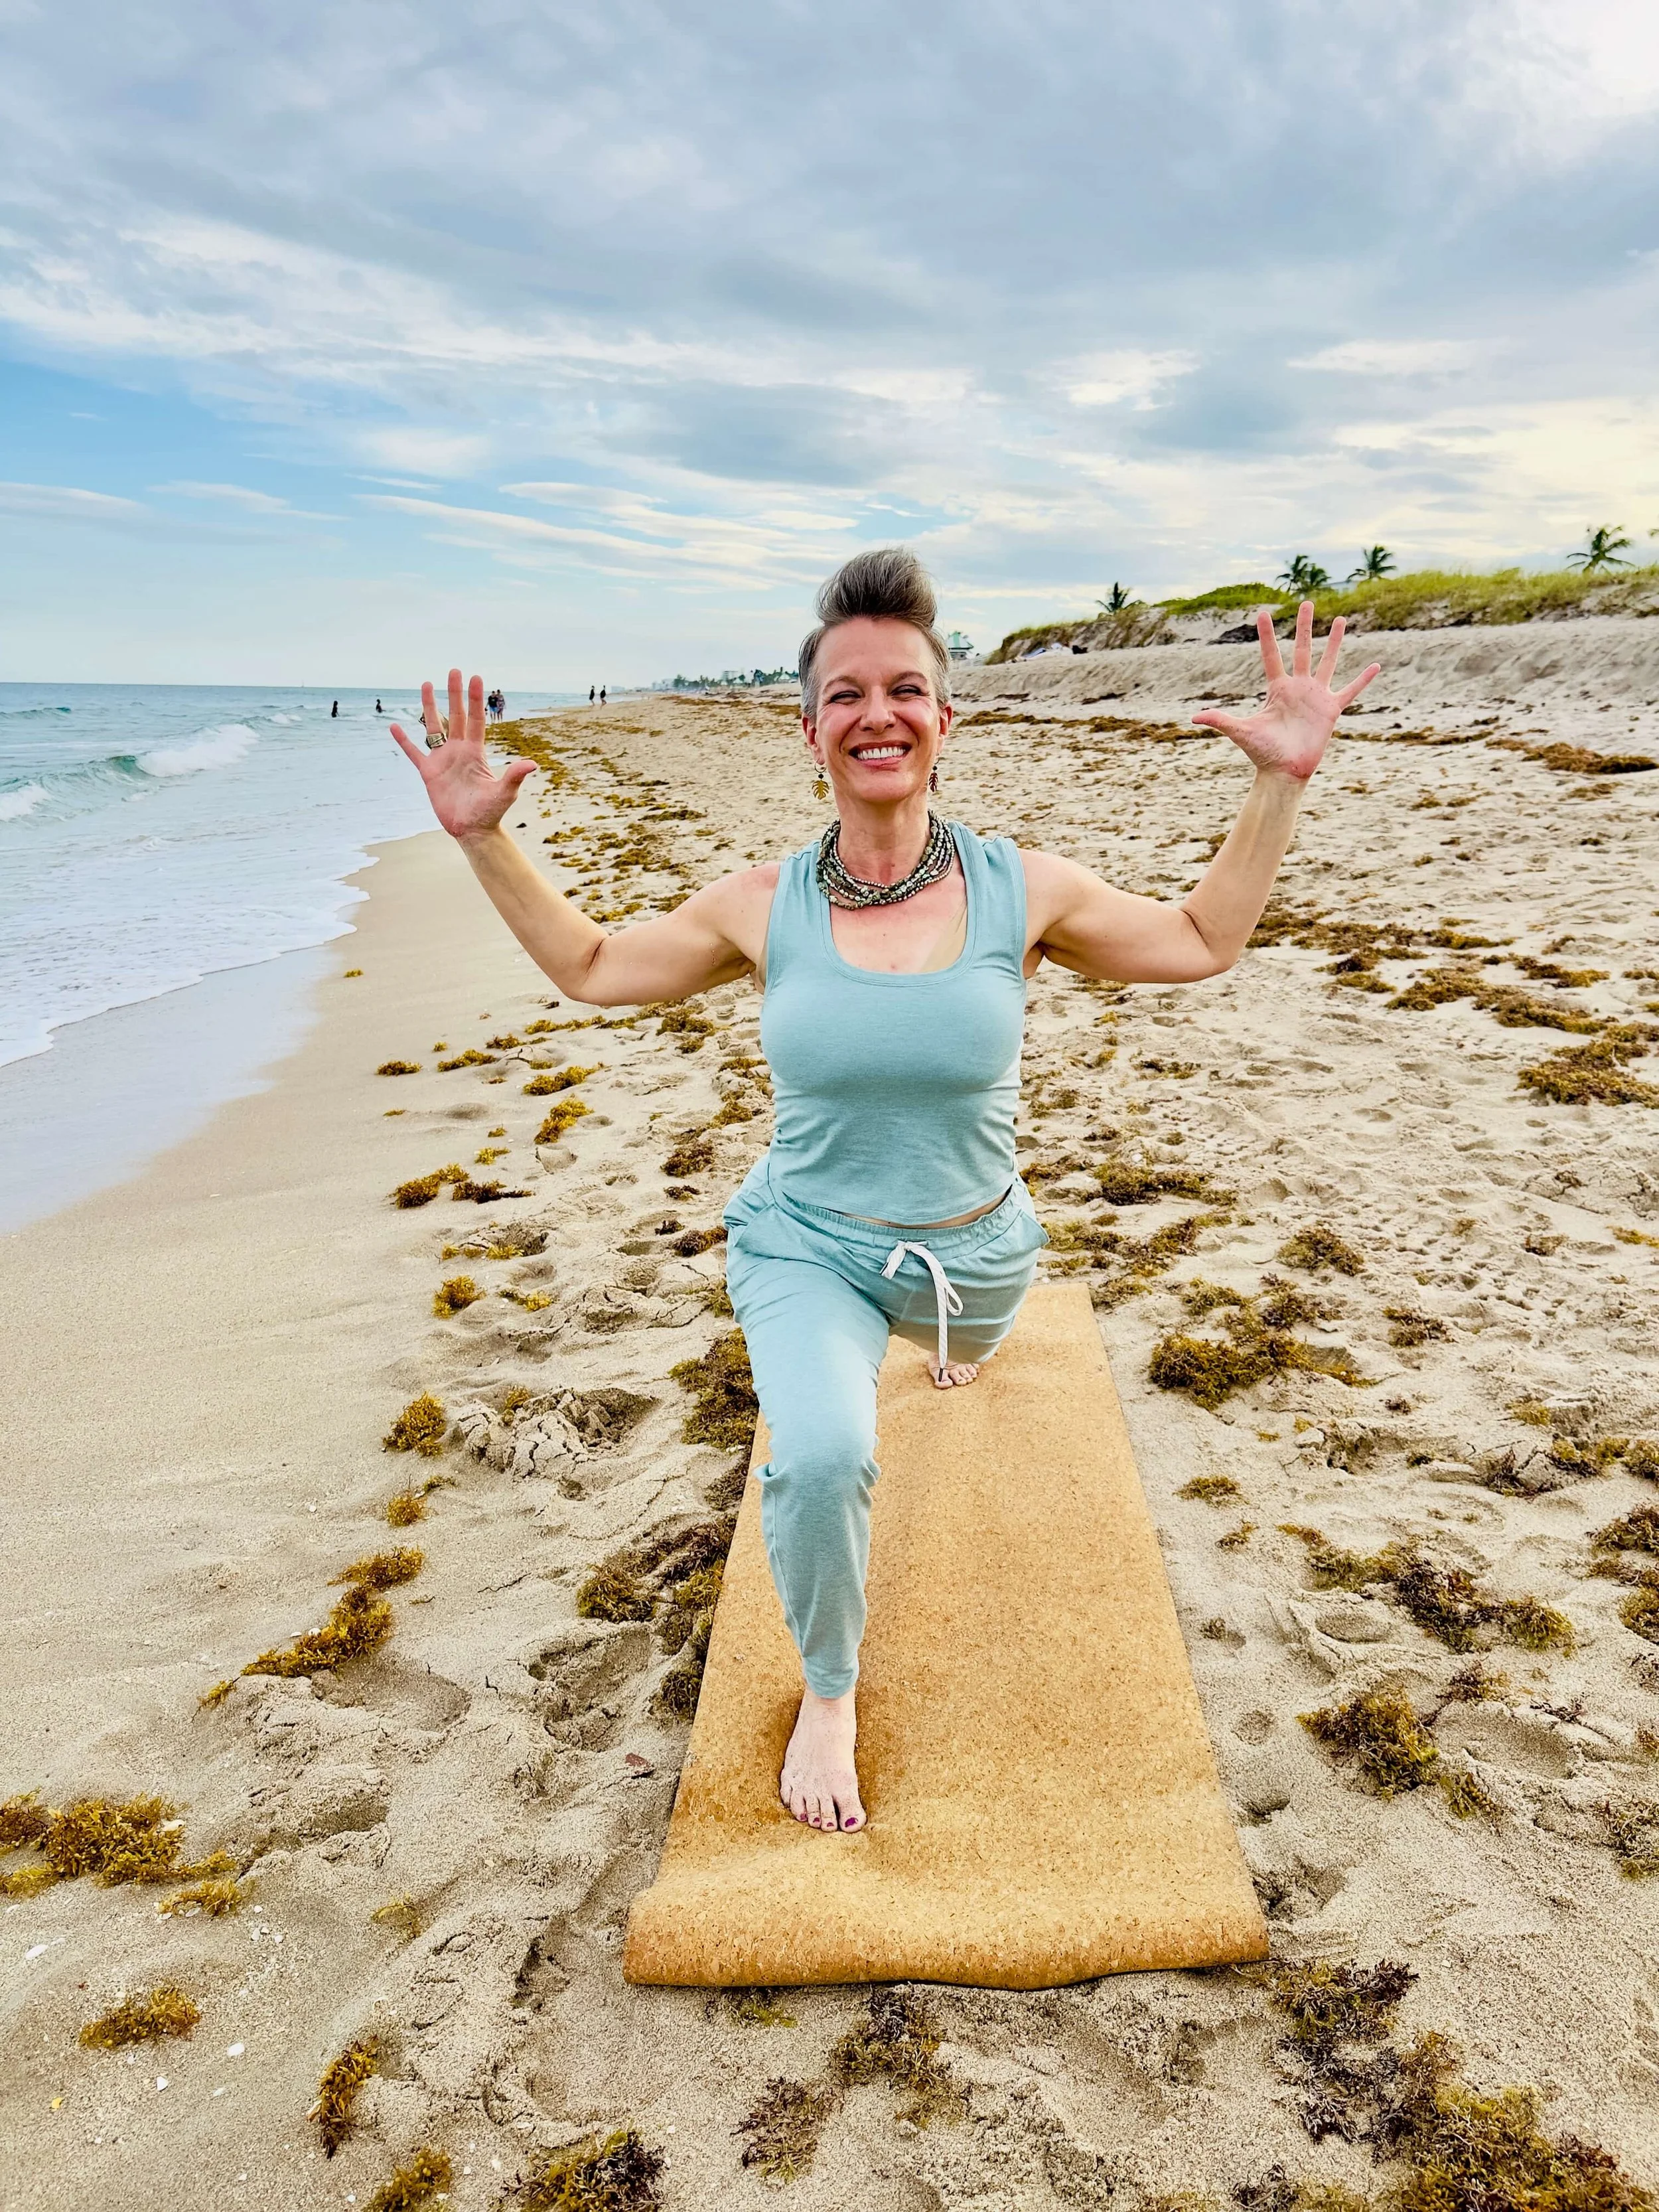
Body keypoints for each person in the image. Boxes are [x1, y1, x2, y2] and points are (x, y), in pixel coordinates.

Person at [390, 548, 1378, 1836]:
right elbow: (586, 964)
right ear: (810, 732)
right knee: (817, 1457)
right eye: (845, 693)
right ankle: (833, 1692)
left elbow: (1200, 941)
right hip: (807, 1243)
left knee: (965, 1338)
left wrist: (1275, 783)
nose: (876, 713)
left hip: (976, 1260)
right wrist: (484, 841)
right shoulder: (760, 905)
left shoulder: (1022, 890)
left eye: (902, 688)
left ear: (940, 718)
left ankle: (950, 1347)